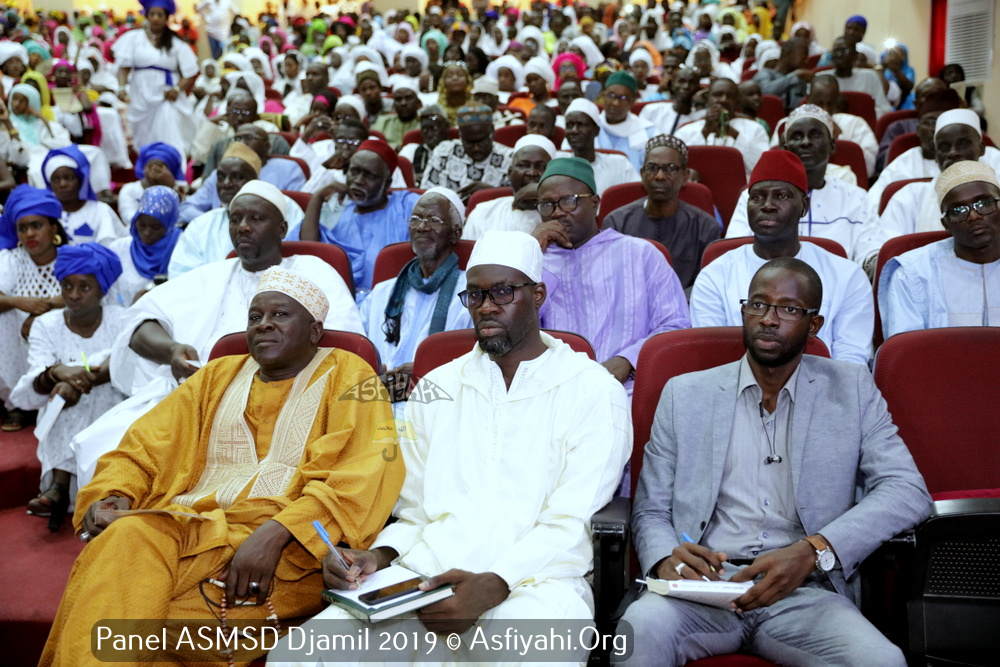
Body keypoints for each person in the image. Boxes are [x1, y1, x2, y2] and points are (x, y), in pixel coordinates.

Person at [269, 230, 630, 666]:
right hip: (424, 579)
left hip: (538, 585)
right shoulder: (439, 386)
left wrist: (496, 582)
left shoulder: (592, 390)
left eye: (502, 291)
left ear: (537, 295)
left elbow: (572, 522)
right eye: (475, 295)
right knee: (300, 656)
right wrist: (378, 557)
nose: (487, 306)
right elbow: (414, 510)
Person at [41, 267, 404, 666]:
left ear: (315, 331)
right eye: (255, 317)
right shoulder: (217, 375)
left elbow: (360, 475)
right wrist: (115, 493)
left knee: (127, 612)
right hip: (185, 531)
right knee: (128, 545)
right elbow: (146, 447)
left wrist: (275, 534)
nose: (264, 324)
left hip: (286, 559)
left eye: (280, 315)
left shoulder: (351, 374)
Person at [618, 257, 932, 666]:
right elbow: (651, 508)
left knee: (882, 661)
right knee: (637, 634)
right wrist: (664, 557)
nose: (769, 319)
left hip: (803, 591)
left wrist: (814, 550)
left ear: (814, 325)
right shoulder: (685, 395)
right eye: (758, 305)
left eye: (788, 309)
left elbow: (907, 490)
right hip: (704, 589)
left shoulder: (852, 390)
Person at [73, 180, 363, 490]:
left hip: (292, 400)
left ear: (281, 228)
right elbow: (140, 322)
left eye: (255, 218)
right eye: (235, 218)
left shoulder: (312, 271)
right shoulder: (211, 276)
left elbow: (345, 344)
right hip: (204, 400)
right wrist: (172, 350)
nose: (243, 227)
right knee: (105, 447)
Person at [691, 150, 875, 366]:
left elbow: (851, 365)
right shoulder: (715, 276)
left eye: (782, 196)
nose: (767, 205)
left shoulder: (847, 276)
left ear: (804, 207)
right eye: (757, 197)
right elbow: (715, 360)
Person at [532, 157, 691, 394]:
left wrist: (628, 360)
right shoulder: (535, 262)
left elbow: (675, 325)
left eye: (568, 201)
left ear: (595, 203)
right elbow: (514, 329)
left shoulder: (641, 254)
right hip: (551, 392)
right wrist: (531, 253)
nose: (557, 213)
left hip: (629, 389)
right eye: (547, 205)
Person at [11, 243, 126, 531]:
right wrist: (57, 375)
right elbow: (35, 378)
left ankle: (62, 487)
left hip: (114, 397)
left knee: (89, 402)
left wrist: (80, 380)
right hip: (60, 401)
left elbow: (125, 363)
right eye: (67, 286)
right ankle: (60, 486)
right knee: (61, 398)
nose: (73, 295)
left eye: (84, 287)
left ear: (102, 290)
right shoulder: (46, 324)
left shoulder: (121, 319)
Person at [728, 108, 886, 272]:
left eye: (815, 135)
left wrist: (872, 265)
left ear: (832, 146)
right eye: (797, 136)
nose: (805, 142)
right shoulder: (758, 197)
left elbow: (871, 246)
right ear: (784, 146)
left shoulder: (855, 197)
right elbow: (735, 247)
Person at [359, 188, 473, 412]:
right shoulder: (382, 292)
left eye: (433, 220)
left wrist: (427, 371)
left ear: (455, 233)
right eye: (416, 219)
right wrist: (372, 372)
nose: (422, 227)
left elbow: (477, 362)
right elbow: (357, 349)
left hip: (438, 406)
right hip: (373, 403)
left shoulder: (471, 294)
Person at [879, 161, 1000, 338]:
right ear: (946, 225)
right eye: (958, 210)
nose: (974, 216)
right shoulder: (913, 275)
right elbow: (907, 355)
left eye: (984, 203)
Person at [299, 139, 420, 298]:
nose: (358, 180)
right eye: (354, 171)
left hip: (389, 301)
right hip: (333, 300)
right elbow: (307, 253)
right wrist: (317, 198)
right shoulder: (336, 207)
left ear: (387, 183)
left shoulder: (406, 206)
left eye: (370, 176)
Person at [603, 135, 719, 293]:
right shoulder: (617, 223)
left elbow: (706, 285)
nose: (660, 176)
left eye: (670, 168)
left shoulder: (705, 227)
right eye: (652, 168)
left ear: (685, 176)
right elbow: (610, 280)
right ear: (643, 174)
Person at [170, 143, 304, 277]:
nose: (226, 184)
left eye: (237, 177)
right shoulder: (201, 226)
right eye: (221, 178)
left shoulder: (282, 207)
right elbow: (182, 279)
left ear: (255, 180)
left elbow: (295, 253)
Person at [0, 186, 69, 432]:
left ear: (53, 228)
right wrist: (17, 302)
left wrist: (41, 310)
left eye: (36, 226)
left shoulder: (70, 257)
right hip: (17, 340)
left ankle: (56, 390)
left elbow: (86, 292)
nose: (29, 233)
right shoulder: (10, 259)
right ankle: (15, 400)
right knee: (5, 315)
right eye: (22, 228)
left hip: (60, 331)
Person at [881, 109, 1000, 237]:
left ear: (981, 149)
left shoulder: (996, 192)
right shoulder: (909, 197)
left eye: (963, 144)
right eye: (944, 147)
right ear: (936, 157)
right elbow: (887, 247)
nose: (953, 152)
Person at [113, 0, 199, 159]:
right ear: (146, 15)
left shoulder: (175, 42)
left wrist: (177, 89)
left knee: (170, 134)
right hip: (140, 94)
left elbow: (190, 72)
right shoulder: (133, 38)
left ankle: (173, 169)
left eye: (160, 15)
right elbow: (124, 67)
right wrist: (122, 88)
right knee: (143, 136)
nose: (156, 18)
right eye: (152, 14)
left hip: (166, 95)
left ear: (167, 17)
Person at [182, 124, 305, 223]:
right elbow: (186, 208)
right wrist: (215, 222)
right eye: (238, 138)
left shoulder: (288, 169)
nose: (242, 143)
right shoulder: (219, 174)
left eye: (250, 138)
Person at [868, 89, 965, 209]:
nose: (936, 129)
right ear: (918, 130)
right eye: (930, 122)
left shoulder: (987, 158)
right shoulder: (903, 164)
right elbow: (873, 206)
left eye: (944, 123)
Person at [463, 135, 556, 240]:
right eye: (523, 165)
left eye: (541, 166)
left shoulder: (563, 216)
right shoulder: (484, 213)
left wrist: (544, 194)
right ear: (510, 173)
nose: (532, 173)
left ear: (553, 175)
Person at [675, 78, 770, 181]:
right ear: (707, 99)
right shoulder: (686, 130)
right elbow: (677, 166)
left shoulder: (755, 128)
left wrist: (734, 134)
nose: (723, 100)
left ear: (737, 102)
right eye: (717, 95)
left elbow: (764, 167)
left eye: (730, 96)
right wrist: (705, 132)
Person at [420, 104, 514, 200]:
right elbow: (426, 196)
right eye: (469, 142)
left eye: (481, 141)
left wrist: (491, 193)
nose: (476, 148)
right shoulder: (443, 152)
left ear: (492, 133)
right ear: (460, 135)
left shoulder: (510, 159)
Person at [107, 186, 181, 306]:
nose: (146, 232)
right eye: (142, 225)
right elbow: (110, 296)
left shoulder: (183, 246)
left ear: (169, 225)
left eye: (156, 227)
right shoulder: (118, 249)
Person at [42, 146, 126, 247]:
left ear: (80, 180)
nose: (62, 184)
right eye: (56, 180)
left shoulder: (100, 211)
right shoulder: (45, 214)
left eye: (68, 178)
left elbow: (109, 247)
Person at [803, 75, 878, 179]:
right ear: (808, 100)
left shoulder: (855, 124)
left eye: (830, 104)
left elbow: (868, 170)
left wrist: (839, 140)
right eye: (819, 104)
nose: (825, 110)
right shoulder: (787, 126)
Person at [561, 98, 640, 195]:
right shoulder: (557, 165)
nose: (574, 131)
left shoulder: (620, 165)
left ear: (596, 130)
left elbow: (636, 197)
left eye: (580, 125)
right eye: (569, 125)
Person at [875, 77, 948, 173]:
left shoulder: (959, 127)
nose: (934, 99)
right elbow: (882, 163)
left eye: (940, 94)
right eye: (928, 95)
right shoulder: (898, 128)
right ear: (916, 104)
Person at [596, 71, 657, 172]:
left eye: (623, 98)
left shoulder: (648, 131)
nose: (616, 103)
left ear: (632, 102)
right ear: (603, 96)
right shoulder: (590, 126)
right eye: (611, 96)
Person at [116, 142, 186, 227]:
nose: (155, 171)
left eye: (162, 167)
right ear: (144, 167)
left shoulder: (179, 191)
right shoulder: (130, 189)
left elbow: (182, 218)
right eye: (151, 166)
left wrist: (168, 187)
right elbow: (128, 218)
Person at [829, 36, 891, 118]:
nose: (839, 55)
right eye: (836, 51)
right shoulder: (822, 78)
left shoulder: (869, 76)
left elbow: (884, 109)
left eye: (845, 50)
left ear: (855, 55)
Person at [639, 67, 705, 136]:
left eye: (692, 83)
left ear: (698, 88)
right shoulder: (652, 110)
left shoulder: (700, 118)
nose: (686, 86)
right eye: (681, 81)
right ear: (672, 85)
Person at [753, 37, 811, 111]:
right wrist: (794, 76)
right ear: (788, 53)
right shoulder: (764, 74)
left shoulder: (800, 79)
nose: (806, 61)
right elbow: (766, 92)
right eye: (803, 55)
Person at [372, 84, 421, 149]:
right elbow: (374, 144)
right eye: (398, 99)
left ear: (418, 103)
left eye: (408, 98)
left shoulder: (425, 123)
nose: (403, 103)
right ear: (394, 105)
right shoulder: (383, 121)